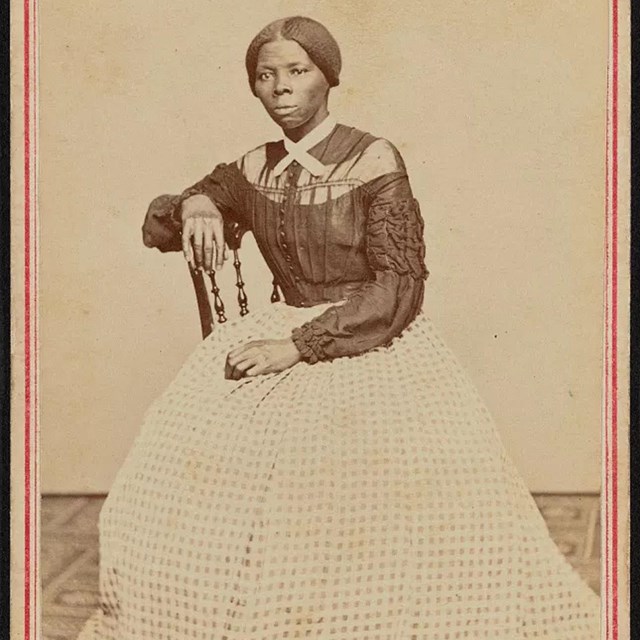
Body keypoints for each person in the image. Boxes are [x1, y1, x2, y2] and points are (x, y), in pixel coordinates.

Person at [78, 16, 600, 640]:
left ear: (328, 77)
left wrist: (296, 346)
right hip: (279, 329)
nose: (281, 88)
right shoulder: (253, 166)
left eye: (297, 72)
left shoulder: (372, 157)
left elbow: (399, 287)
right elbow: (165, 224)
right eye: (265, 75)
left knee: (359, 490)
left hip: (368, 337)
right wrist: (196, 202)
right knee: (171, 473)